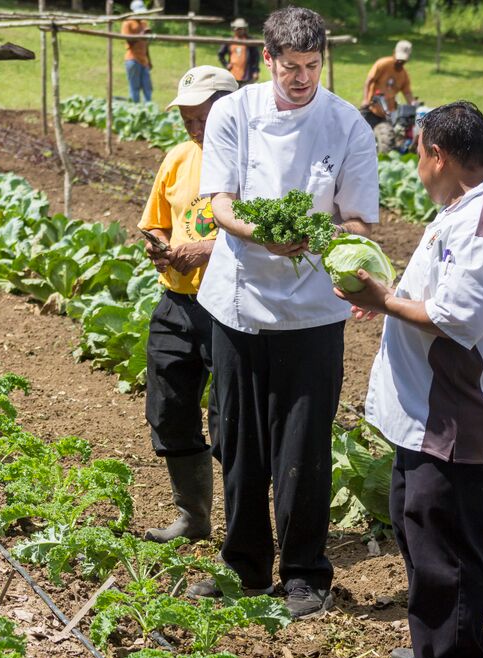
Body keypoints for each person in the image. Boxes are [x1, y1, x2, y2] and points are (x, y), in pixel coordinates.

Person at [189, 6, 379, 618]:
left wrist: (334, 245)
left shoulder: (346, 124)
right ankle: (243, 565)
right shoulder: (233, 112)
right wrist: (258, 233)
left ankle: (304, 573)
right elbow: (219, 203)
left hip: (313, 310)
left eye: (312, 66)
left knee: (305, 444)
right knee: (238, 440)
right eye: (291, 67)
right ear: (265, 59)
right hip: (239, 303)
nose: (302, 78)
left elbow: (358, 219)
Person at [336, 101, 483, 658]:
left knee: (442, 540)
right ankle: (453, 639)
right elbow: (439, 296)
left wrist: (383, 296)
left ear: (438, 156)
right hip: (424, 409)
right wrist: (393, 298)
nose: (415, 163)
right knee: (414, 519)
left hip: (449, 413)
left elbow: (457, 317)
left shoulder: (477, 222)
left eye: (417, 151)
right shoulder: (460, 211)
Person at [138, 66, 238, 544]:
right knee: (168, 406)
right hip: (177, 301)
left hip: (230, 307)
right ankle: (193, 518)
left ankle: (244, 529)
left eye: (203, 117)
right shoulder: (177, 158)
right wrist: (157, 243)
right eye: (188, 119)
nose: (195, 127)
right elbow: (155, 221)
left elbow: (264, 238)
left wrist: (205, 251)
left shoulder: (251, 163)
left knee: (230, 420)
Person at [360, 40, 415, 128]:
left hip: (388, 115)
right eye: (399, 59)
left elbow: (407, 94)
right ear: (394, 53)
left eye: (403, 60)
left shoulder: (404, 75)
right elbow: (369, 81)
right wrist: (365, 99)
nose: (400, 62)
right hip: (371, 109)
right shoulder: (382, 64)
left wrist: (414, 105)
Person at [121, 0, 153, 103]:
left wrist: (149, 60)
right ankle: (135, 108)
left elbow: (146, 44)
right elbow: (128, 40)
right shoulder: (128, 23)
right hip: (132, 59)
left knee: (147, 87)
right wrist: (141, 33)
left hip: (144, 60)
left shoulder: (144, 23)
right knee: (134, 87)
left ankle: (148, 108)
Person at [218, 18, 260, 86]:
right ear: (234, 29)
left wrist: (255, 71)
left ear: (245, 29)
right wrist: (226, 64)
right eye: (238, 29)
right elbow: (220, 54)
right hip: (233, 75)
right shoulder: (230, 41)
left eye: (242, 29)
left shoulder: (250, 41)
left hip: (247, 76)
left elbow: (256, 57)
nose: (240, 31)